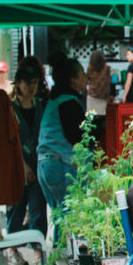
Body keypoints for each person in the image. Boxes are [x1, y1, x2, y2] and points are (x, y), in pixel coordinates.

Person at [6, 63, 47, 265]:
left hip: (39, 166)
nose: (31, 87)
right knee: (16, 209)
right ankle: (12, 250)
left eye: (35, 83)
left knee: (38, 209)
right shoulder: (10, 107)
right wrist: (24, 167)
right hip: (16, 167)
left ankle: (38, 254)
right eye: (27, 83)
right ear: (18, 83)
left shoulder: (41, 105)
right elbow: (8, 141)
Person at [37, 54, 88, 219]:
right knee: (69, 218)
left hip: (45, 165)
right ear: (73, 80)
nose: (86, 77)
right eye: (82, 74)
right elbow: (78, 138)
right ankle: (64, 246)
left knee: (60, 218)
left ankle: (60, 246)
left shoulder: (55, 99)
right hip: (60, 165)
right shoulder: (68, 102)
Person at [85, 49, 113, 117]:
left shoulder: (90, 68)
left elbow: (86, 79)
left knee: (92, 118)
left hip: (92, 95)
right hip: (103, 96)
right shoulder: (107, 68)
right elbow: (109, 81)